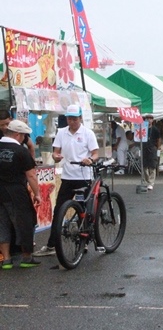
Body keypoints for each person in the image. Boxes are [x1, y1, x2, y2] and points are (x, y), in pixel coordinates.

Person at [35, 104, 99, 256]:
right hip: (68, 177)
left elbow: (96, 153)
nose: (72, 122)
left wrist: (90, 159)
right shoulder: (61, 132)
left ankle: (84, 241)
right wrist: (56, 156)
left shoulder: (88, 133)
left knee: (84, 210)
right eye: (69, 119)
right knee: (59, 210)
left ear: (80, 118)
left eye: (75, 119)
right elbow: (55, 152)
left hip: (84, 177)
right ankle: (51, 245)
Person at [0, 120, 42, 268]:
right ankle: (26, 257)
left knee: (2, 224)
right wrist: (37, 194)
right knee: (24, 222)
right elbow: (31, 176)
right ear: (18, 134)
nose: (24, 139)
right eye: (24, 136)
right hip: (15, 192)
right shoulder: (21, 151)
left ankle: (6, 259)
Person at [142, 114, 161, 191]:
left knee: (152, 165)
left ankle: (151, 183)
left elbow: (158, 138)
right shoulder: (143, 128)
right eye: (147, 118)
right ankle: (147, 181)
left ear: (152, 120)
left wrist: (158, 147)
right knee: (145, 166)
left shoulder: (155, 129)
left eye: (150, 118)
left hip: (152, 148)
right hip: (144, 147)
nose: (149, 120)